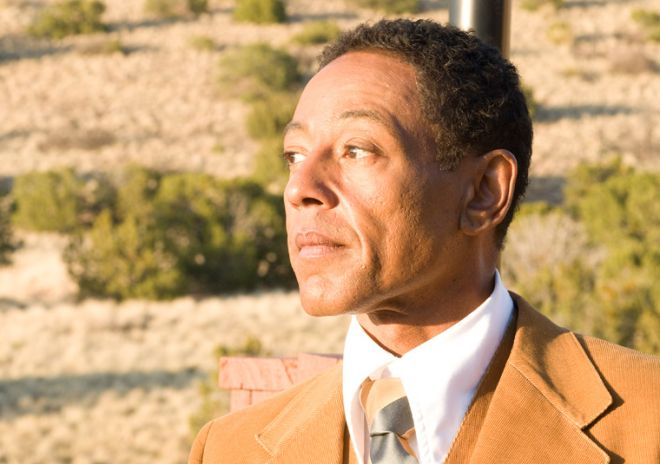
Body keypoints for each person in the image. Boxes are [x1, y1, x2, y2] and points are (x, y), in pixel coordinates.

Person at [189, 19, 659, 464]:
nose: (300, 188)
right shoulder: (229, 450)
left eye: (357, 150)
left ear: (484, 192)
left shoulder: (646, 422)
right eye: (294, 155)